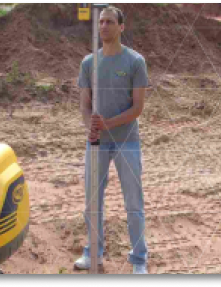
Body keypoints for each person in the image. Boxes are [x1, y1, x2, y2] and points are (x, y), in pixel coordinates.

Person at [75, 6, 149, 274]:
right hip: (97, 144)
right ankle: (93, 254)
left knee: (133, 203)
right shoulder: (88, 63)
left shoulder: (135, 62)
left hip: (127, 142)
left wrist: (108, 124)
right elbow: (84, 105)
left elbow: (137, 108)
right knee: (92, 202)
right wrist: (90, 127)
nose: (103, 26)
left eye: (109, 22)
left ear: (121, 27)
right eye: (101, 22)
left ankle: (139, 259)